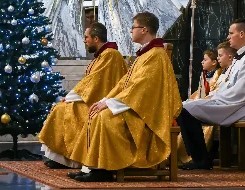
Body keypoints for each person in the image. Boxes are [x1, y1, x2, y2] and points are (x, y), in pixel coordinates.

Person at [68, 12, 182, 182]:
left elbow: (140, 89)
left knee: (105, 118)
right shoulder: (145, 54)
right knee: (97, 113)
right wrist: (105, 100)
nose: (131, 31)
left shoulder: (156, 55)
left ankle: (104, 170)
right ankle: (92, 167)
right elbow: (124, 83)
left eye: (133, 27)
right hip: (135, 105)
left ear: (143, 30)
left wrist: (110, 103)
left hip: (147, 113)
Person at [177, 18, 245, 170]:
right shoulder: (240, 58)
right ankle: (199, 158)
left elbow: (243, 91)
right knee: (183, 107)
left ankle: (201, 160)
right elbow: (228, 85)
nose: (228, 37)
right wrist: (213, 98)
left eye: (231, 33)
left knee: (185, 110)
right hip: (229, 102)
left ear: (242, 34)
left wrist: (215, 99)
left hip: (241, 107)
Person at [39, 22, 128, 169]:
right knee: (61, 108)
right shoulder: (102, 55)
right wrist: (68, 98)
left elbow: (94, 83)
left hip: (105, 102)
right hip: (96, 99)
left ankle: (71, 159)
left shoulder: (110, 55)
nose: (84, 40)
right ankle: (61, 158)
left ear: (96, 38)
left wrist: (68, 98)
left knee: (64, 110)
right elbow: (89, 83)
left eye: (86, 37)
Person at [178, 48, 222, 164]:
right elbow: (199, 92)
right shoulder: (204, 75)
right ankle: (192, 156)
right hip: (203, 104)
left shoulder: (219, 75)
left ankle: (200, 158)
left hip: (213, 107)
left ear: (214, 62)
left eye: (205, 59)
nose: (202, 62)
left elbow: (214, 93)